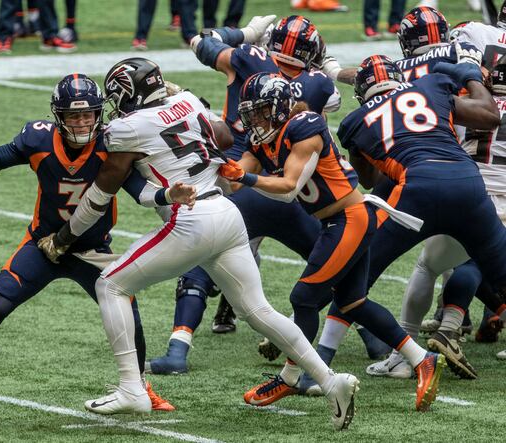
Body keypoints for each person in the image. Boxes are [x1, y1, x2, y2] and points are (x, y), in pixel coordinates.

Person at [38, 57, 361, 431]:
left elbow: (102, 188)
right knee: (259, 312)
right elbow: (224, 137)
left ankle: (132, 389)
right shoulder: (190, 103)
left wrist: (64, 238)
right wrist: (184, 103)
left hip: (190, 219)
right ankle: (330, 381)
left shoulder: (125, 128)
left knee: (109, 284)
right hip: (227, 212)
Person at [0, 73, 189, 412]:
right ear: (58, 116)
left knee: (129, 315)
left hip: (92, 252)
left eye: (87, 114)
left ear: (98, 114)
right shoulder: (39, 140)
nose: (81, 122)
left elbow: (138, 190)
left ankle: (139, 386)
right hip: (42, 245)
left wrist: (167, 194)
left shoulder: (111, 144)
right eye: (73, 116)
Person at [147, 16, 367, 381]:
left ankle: (178, 348)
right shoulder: (317, 83)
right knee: (331, 269)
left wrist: (245, 33)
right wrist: (326, 68)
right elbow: (334, 100)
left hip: (239, 177)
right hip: (291, 192)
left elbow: (200, 41)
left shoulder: (249, 57)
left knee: (203, 252)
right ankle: (376, 340)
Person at [219, 72, 444, 412]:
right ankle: (421, 358)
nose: (256, 120)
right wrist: (219, 162)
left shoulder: (303, 127)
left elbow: (290, 188)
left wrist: (247, 177)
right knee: (354, 302)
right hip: (335, 221)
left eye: (262, 112)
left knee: (304, 299)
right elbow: (236, 179)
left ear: (280, 108)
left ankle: (291, 376)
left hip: (349, 218)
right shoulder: (265, 139)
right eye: (252, 114)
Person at [330, 54, 506, 386]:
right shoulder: (441, 87)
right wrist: (464, 71)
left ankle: (404, 350)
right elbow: (487, 114)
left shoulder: (424, 91)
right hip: (471, 192)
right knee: (487, 269)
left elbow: (371, 178)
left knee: (369, 270)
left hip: (432, 187)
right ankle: (451, 327)